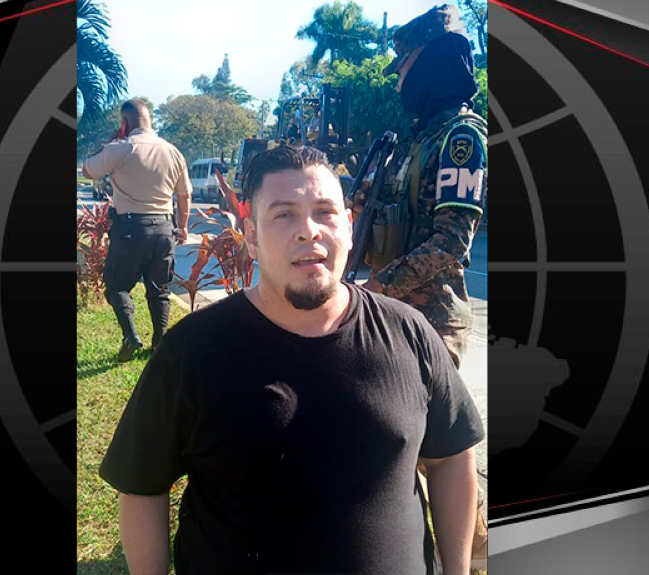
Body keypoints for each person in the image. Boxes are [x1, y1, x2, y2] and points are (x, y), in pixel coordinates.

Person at [100, 146, 484, 575]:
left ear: (349, 227)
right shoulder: (191, 350)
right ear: (251, 235)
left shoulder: (409, 333)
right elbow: (141, 487)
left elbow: (451, 459)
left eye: (325, 212)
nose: (308, 231)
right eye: (283, 214)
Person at [358, 4, 489, 567]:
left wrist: (378, 288)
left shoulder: (461, 137)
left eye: (403, 66)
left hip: (429, 319)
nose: (398, 80)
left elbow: (451, 244)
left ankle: (467, 550)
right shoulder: (415, 138)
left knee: (429, 449)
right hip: (390, 308)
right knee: (403, 445)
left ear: (430, 61)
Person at [83, 99, 191, 361]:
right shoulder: (173, 152)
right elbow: (184, 195)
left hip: (131, 229)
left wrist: (110, 141)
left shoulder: (120, 148)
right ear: (150, 120)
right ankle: (159, 344)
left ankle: (130, 336)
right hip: (164, 229)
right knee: (160, 290)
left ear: (124, 123)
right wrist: (183, 227)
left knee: (116, 286)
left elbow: (87, 170)